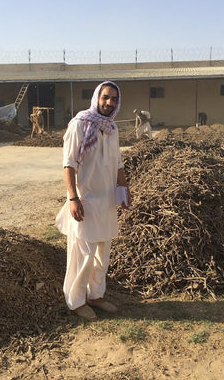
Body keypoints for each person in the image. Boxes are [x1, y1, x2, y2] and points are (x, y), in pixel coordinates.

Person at [57, 81, 130, 320]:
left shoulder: (112, 128)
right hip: (85, 200)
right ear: (97, 98)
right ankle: (76, 301)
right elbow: (69, 164)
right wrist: (73, 198)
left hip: (107, 201)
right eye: (105, 97)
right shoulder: (79, 124)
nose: (109, 103)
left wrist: (124, 188)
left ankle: (96, 295)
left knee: (102, 252)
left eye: (114, 99)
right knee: (82, 253)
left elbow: (118, 162)